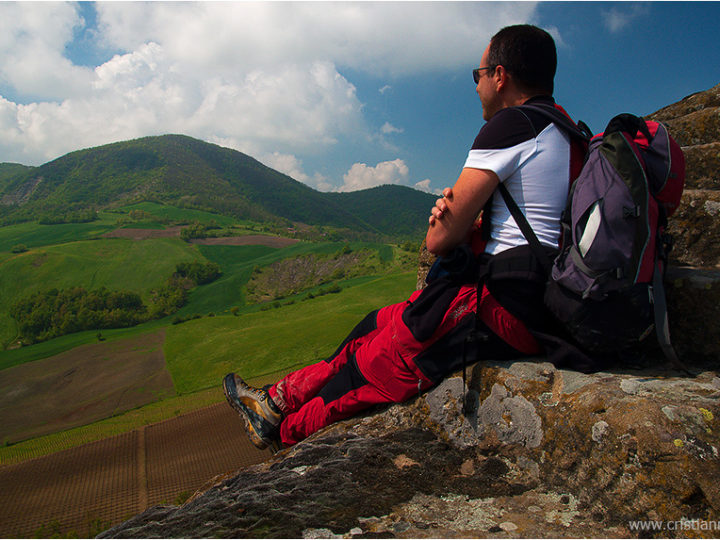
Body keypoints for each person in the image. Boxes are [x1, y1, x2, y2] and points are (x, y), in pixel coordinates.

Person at [223, 24, 585, 450]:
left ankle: (282, 434)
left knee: (373, 367)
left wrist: (447, 222)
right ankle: (276, 399)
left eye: (479, 74)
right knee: (374, 324)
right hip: (533, 301)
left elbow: (439, 241)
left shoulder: (511, 125)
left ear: (500, 76)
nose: (477, 86)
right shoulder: (568, 133)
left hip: (502, 306)